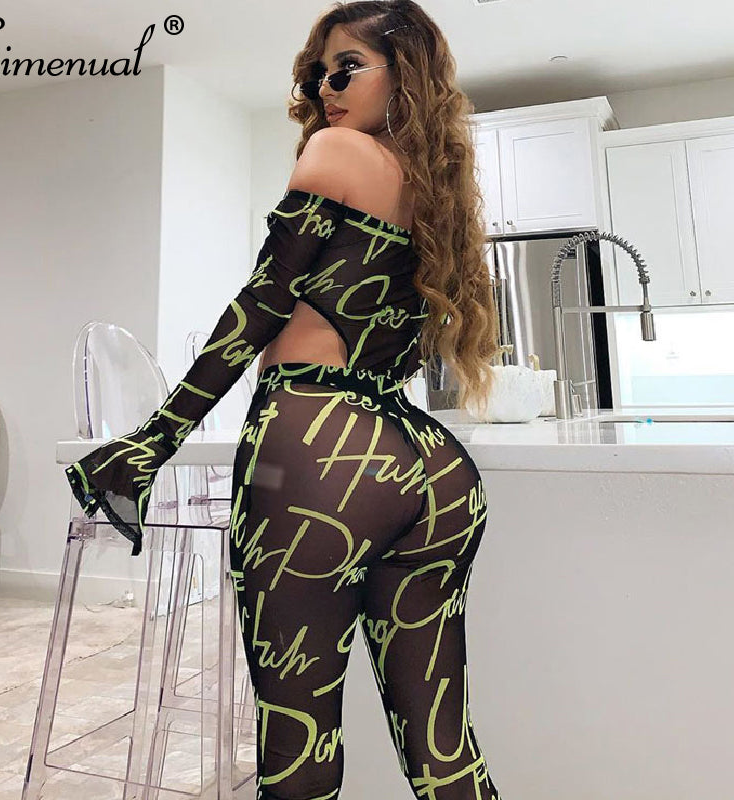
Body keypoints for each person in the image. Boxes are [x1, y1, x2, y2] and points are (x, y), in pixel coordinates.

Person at [65, 1, 503, 797]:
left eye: (347, 68)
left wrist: (151, 440)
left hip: (321, 456)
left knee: (298, 754)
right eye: (318, 74)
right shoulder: (434, 197)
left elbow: (262, 303)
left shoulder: (338, 153)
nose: (325, 88)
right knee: (444, 753)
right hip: (434, 474)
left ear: (404, 73)